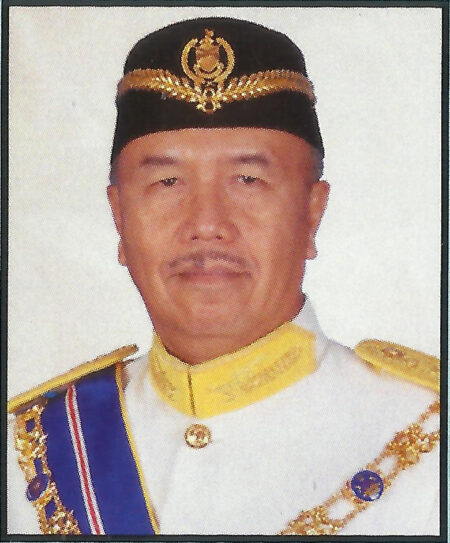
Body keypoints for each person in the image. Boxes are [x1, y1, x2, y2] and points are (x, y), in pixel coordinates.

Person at [7, 17, 439, 536]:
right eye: (167, 182)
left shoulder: (429, 446)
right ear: (119, 217)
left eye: (248, 180)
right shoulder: (29, 453)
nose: (206, 224)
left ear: (312, 214)